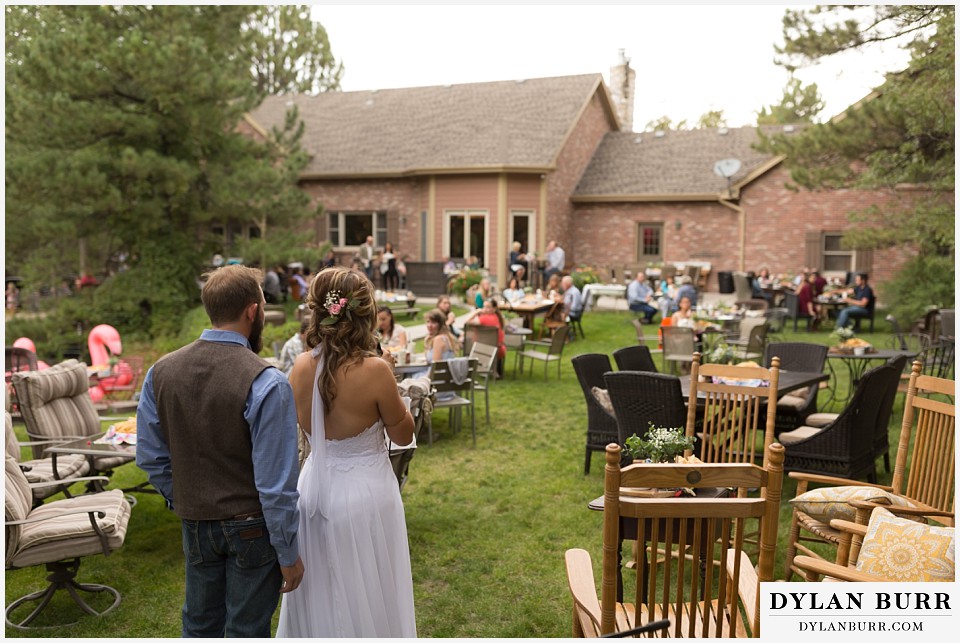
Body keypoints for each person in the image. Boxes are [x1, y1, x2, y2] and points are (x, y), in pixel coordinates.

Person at [136, 265, 303, 638]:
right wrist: (288, 553)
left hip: (196, 522)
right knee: (245, 630)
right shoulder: (267, 380)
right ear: (252, 311)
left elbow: (149, 455)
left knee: (199, 626)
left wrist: (183, 497)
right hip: (252, 529)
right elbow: (275, 485)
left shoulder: (160, 371)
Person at [276, 266, 416, 637]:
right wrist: (395, 389)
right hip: (365, 495)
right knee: (369, 588)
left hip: (314, 492)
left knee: (322, 592)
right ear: (365, 313)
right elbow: (402, 435)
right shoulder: (375, 370)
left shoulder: (300, 368)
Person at [463, 298, 507, 377]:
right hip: (497, 349)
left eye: (488, 307)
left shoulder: (484, 319)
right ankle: (494, 370)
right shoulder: (497, 318)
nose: (485, 309)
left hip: (481, 349)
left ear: (494, 309)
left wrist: (477, 311)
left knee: (466, 339)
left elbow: (467, 322)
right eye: (484, 307)